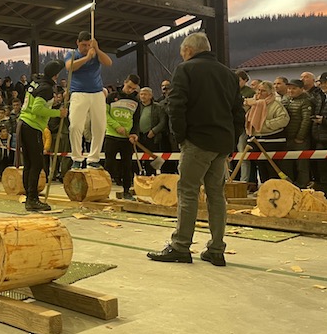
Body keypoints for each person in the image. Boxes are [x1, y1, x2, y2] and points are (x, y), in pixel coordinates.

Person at [147, 32, 244, 267]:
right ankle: (216, 249)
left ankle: (181, 246)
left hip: (197, 141)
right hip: (222, 144)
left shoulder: (185, 69)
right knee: (216, 195)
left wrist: (180, 137)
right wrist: (231, 141)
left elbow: (176, 105)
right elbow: (238, 112)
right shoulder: (229, 74)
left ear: (189, 50)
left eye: (183, 52)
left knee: (188, 192)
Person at [18, 60, 68, 212]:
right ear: (55, 75)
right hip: (32, 126)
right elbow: (37, 109)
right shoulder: (46, 88)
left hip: (23, 123)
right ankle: (32, 199)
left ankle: (29, 196)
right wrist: (57, 113)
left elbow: (39, 103)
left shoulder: (36, 82)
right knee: (37, 164)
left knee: (29, 164)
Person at [65, 31, 113, 169]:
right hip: (78, 93)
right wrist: (87, 58)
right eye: (83, 45)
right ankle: (77, 158)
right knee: (75, 126)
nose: (86, 48)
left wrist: (97, 49)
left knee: (100, 126)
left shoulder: (95, 53)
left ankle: (93, 158)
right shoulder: (72, 54)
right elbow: (70, 67)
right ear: (77, 43)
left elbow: (109, 62)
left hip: (97, 93)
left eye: (88, 45)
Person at [104, 75, 141, 199]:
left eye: (133, 88)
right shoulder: (111, 97)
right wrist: (116, 126)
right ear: (125, 82)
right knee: (109, 164)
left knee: (127, 165)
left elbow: (136, 120)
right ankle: (105, 191)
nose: (130, 90)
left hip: (127, 138)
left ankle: (126, 191)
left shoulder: (136, 101)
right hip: (112, 135)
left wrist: (134, 133)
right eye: (129, 87)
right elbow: (105, 114)